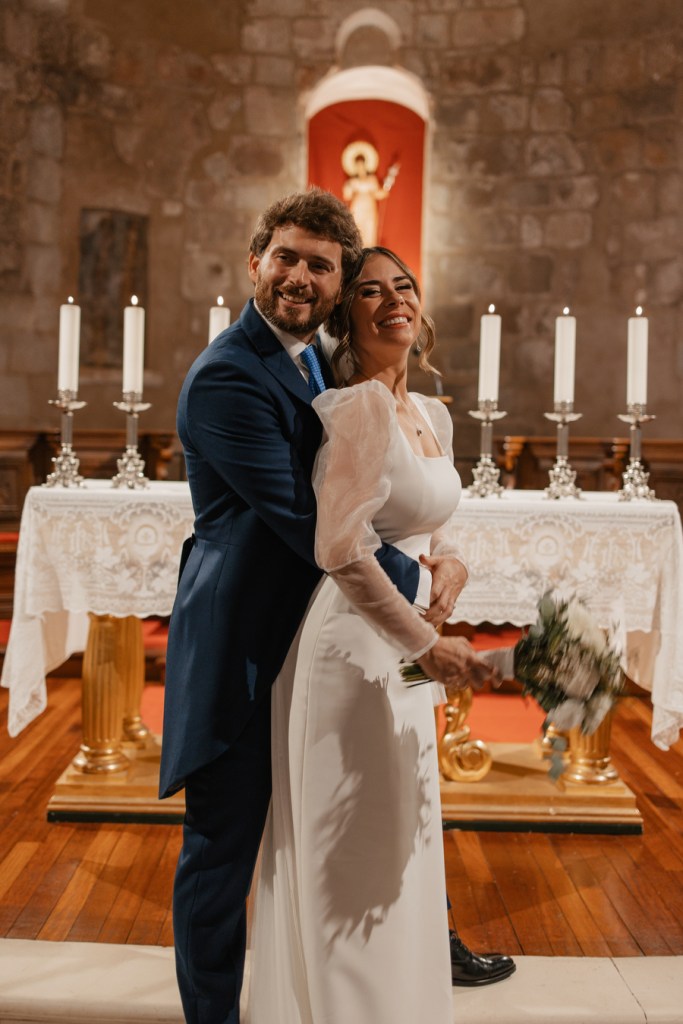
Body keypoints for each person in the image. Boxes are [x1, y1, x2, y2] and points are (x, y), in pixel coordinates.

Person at [160, 191, 509, 1024]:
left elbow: (380, 484)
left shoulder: (319, 358)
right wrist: (423, 595)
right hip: (247, 643)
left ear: (334, 283)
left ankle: (399, 965)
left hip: (340, 634)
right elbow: (310, 522)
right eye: (286, 257)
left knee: (368, 808)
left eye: (320, 266)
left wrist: (443, 561)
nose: (299, 277)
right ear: (256, 261)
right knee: (223, 849)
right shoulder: (226, 377)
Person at [246, 245, 513, 1024]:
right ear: (345, 315)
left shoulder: (431, 412)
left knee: (401, 834)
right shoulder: (357, 406)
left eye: (403, 286)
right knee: (354, 849)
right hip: (350, 648)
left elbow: (431, 521)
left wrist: (452, 564)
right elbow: (339, 548)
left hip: (401, 645)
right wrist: (424, 645)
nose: (393, 299)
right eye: (369, 291)